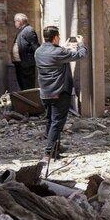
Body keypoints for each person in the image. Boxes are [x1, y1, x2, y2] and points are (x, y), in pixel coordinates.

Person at [34, 27, 88, 159]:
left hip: (45, 92)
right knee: (57, 123)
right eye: (58, 36)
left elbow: (55, 57)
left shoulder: (38, 51)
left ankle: (55, 148)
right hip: (59, 92)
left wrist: (63, 47)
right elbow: (81, 55)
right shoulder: (59, 52)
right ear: (55, 37)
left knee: (50, 121)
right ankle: (49, 152)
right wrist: (81, 44)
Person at [11, 13, 40, 91]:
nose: (14, 23)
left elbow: (35, 46)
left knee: (28, 86)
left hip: (26, 65)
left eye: (15, 21)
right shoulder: (21, 30)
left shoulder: (28, 30)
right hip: (20, 64)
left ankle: (30, 99)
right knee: (23, 86)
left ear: (20, 21)